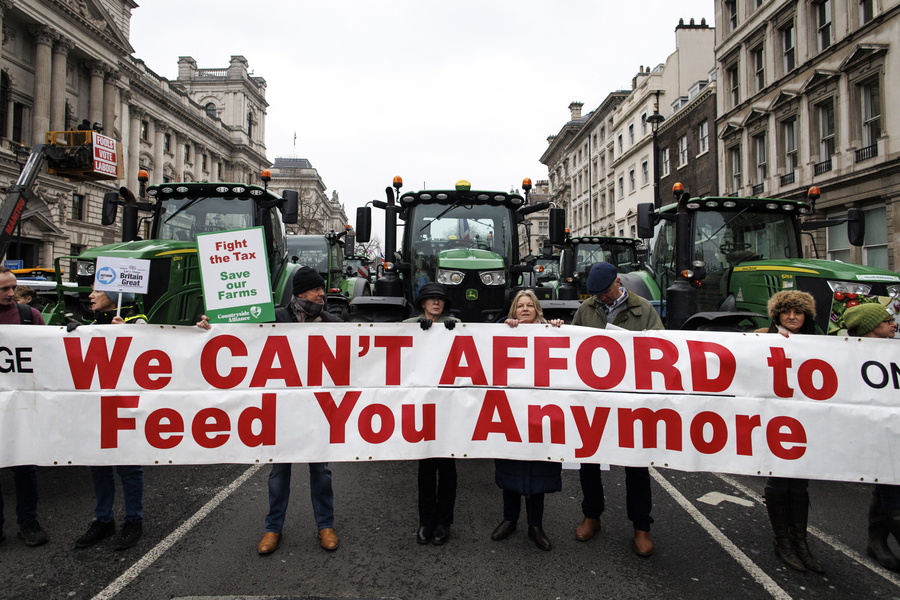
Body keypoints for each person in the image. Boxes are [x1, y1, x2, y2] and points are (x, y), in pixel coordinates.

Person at [198, 266, 340, 556]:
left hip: (316, 410)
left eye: (321, 289)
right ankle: (273, 528)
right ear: (300, 292)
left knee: (321, 473)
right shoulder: (274, 316)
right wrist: (210, 326)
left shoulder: (333, 321)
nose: (321, 294)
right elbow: (238, 333)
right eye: (316, 289)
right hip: (282, 410)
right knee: (279, 473)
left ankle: (325, 526)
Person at [571, 262, 663, 557]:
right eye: (597, 295)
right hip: (594, 400)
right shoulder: (587, 309)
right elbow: (570, 346)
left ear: (618, 282)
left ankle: (641, 527)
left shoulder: (644, 308)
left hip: (630, 400)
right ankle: (591, 515)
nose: (603, 299)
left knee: (636, 465)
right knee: (589, 461)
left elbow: (662, 347)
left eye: (606, 293)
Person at [754, 290, 824, 573]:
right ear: (777, 315)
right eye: (786, 312)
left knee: (800, 482)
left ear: (806, 315)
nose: (792, 317)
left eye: (798, 312)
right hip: (774, 419)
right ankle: (782, 541)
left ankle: (801, 542)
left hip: (805, 420)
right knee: (779, 479)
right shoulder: (760, 336)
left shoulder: (821, 342)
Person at [74, 288, 147, 551]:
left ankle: (133, 521)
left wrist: (130, 334)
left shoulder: (138, 321)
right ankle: (104, 519)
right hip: (98, 408)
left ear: (116, 298)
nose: (91, 295)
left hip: (127, 407)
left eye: (98, 291)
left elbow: (155, 354)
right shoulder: (89, 326)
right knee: (99, 465)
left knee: (129, 467)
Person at [490, 289, 564, 551]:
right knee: (511, 465)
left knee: (537, 469)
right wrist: (504, 326)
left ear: (537, 310)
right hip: (512, 411)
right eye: (519, 305)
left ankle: (536, 525)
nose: (524, 309)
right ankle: (510, 519)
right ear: (513, 311)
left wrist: (557, 328)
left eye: (529, 305)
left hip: (541, 412)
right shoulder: (505, 329)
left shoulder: (551, 330)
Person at [844, 303, 900, 572]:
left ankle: (876, 543)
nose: (894, 323)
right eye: (887, 320)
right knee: (891, 484)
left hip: (894, 426)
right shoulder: (844, 352)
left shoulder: (895, 349)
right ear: (869, 326)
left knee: (886, 484)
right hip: (873, 431)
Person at [402, 283, 460, 545]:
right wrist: (417, 330)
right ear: (422, 303)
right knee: (425, 469)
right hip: (422, 405)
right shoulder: (409, 324)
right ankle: (425, 521)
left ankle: (443, 523)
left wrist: (450, 331)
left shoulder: (455, 324)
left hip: (448, 405)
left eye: (440, 300)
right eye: (430, 299)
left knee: (447, 469)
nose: (436, 303)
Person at [0, 267, 49, 547]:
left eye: (13, 287)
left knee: (24, 468)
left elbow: (46, 358)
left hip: (21, 407)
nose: (11, 294)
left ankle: (28, 522)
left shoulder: (30, 316)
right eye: (4, 289)